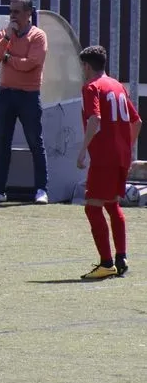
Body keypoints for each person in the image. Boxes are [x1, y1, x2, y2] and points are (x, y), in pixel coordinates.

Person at [75, 45, 142, 280]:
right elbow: (137, 122)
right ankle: (121, 258)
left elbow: (95, 119)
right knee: (112, 205)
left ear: (86, 66)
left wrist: (83, 151)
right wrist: (127, 149)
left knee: (92, 207)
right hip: (121, 156)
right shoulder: (117, 86)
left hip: (104, 157)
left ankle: (106, 263)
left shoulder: (91, 87)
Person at [0, 0, 50, 204]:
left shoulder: (38, 36)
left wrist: (8, 58)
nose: (12, 16)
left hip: (29, 95)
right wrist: (7, 39)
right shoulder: (5, 34)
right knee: (2, 142)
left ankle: (41, 190)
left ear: (28, 13)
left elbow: (31, 64)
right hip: (6, 94)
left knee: (35, 142)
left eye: (17, 12)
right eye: (11, 11)